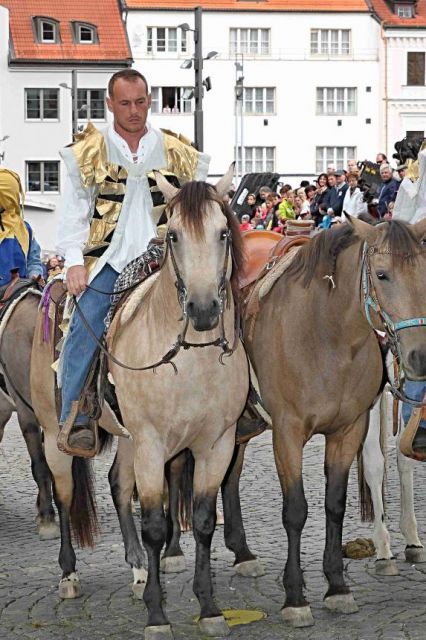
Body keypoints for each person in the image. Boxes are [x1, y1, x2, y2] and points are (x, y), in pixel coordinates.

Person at [56, 68, 210, 450]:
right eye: (124, 103)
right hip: (108, 259)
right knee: (83, 326)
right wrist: (75, 261)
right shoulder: (88, 153)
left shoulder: (179, 152)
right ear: (109, 104)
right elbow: (73, 212)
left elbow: (198, 211)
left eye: (140, 102)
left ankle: (232, 404)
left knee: (216, 313)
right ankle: (76, 415)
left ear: (150, 101)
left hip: (165, 259)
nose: (134, 110)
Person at [0, 168, 43, 286]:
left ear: (7, 198)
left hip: (18, 290)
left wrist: (35, 274)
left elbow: (33, 261)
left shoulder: (24, 229)